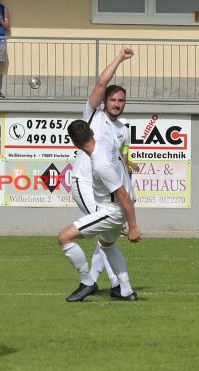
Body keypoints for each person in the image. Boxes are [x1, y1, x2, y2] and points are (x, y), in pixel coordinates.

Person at [71, 48, 137, 295]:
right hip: (84, 182)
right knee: (106, 233)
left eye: (121, 101)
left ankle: (103, 283)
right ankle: (117, 285)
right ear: (104, 101)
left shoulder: (122, 129)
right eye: (113, 100)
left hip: (103, 190)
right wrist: (119, 58)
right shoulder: (92, 115)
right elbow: (101, 82)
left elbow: (119, 156)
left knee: (107, 236)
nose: (117, 104)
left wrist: (128, 163)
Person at [60, 119, 141, 302]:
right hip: (116, 207)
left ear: (74, 143)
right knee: (107, 244)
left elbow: (122, 196)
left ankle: (87, 282)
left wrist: (133, 226)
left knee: (65, 237)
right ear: (92, 133)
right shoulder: (107, 144)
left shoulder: (100, 164)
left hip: (112, 210)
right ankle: (126, 291)